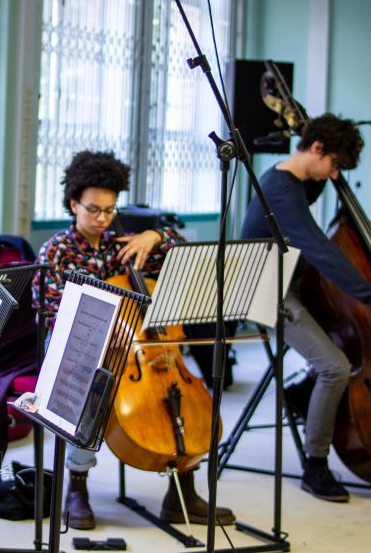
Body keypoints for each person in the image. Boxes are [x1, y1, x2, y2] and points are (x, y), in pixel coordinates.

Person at [31, 150, 236, 530]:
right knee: (87, 384)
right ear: (73, 203)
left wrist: (155, 235)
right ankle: (77, 486)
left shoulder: (121, 243)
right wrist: (103, 338)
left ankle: (182, 489)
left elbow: (182, 257)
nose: (103, 219)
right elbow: (52, 315)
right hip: (81, 346)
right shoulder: (56, 252)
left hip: (140, 348)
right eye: (93, 209)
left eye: (109, 210)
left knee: (177, 388)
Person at [240, 114, 371, 502]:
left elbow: (316, 200)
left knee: (343, 350)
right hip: (267, 292)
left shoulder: (296, 180)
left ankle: (301, 394)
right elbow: (320, 251)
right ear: (316, 149)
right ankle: (315, 466)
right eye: (334, 164)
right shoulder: (282, 191)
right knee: (333, 367)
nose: (334, 175)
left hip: (291, 283)